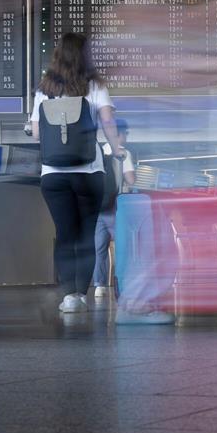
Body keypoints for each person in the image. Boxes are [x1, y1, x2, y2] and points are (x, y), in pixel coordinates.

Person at [31, 33, 127, 313]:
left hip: (53, 173)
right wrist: (116, 149)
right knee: (86, 235)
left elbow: (37, 133)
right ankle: (81, 296)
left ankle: (68, 296)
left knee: (64, 233)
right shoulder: (95, 86)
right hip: (89, 172)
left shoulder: (45, 88)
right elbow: (108, 122)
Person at [91, 119, 135, 299]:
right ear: (120, 134)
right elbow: (131, 181)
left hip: (96, 209)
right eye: (127, 133)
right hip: (115, 209)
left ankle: (99, 287)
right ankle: (122, 283)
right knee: (124, 247)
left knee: (98, 251)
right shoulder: (124, 154)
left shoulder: (97, 152)